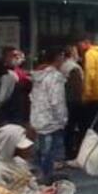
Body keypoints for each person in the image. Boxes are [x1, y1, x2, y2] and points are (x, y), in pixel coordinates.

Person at [30, 46, 69, 179]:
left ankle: (41, 177)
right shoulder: (55, 77)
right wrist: (62, 119)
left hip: (38, 118)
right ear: (57, 58)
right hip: (52, 121)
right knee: (51, 154)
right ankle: (49, 179)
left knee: (41, 152)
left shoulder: (37, 76)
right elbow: (56, 101)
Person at [61, 44, 86, 159]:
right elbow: (78, 86)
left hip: (65, 100)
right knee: (78, 127)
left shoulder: (62, 66)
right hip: (75, 101)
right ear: (71, 53)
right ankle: (75, 152)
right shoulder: (74, 67)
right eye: (76, 52)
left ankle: (68, 151)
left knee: (68, 127)